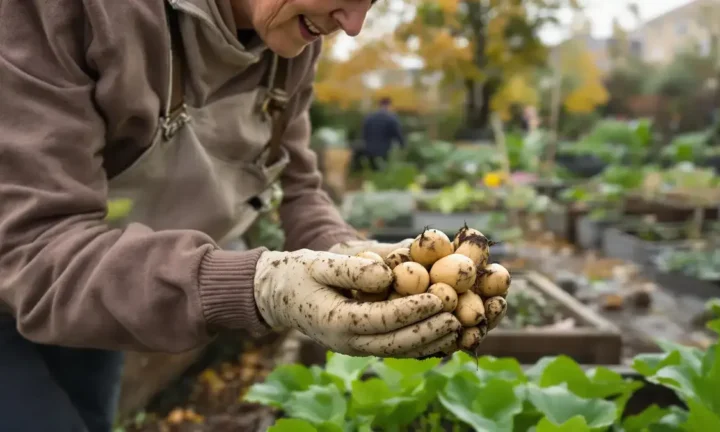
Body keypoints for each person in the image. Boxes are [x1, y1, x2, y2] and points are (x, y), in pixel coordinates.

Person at [0, 1, 507, 431]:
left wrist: (344, 251)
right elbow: (33, 244)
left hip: (103, 290)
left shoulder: (290, 42)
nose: (353, 24)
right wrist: (261, 287)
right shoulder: (67, 13)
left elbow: (299, 186)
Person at [357, 96, 406, 170]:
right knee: (382, 172)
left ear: (379, 105)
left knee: (371, 171)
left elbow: (364, 134)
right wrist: (403, 146)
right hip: (384, 151)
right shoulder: (392, 118)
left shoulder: (369, 117)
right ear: (389, 105)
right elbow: (398, 135)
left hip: (368, 150)